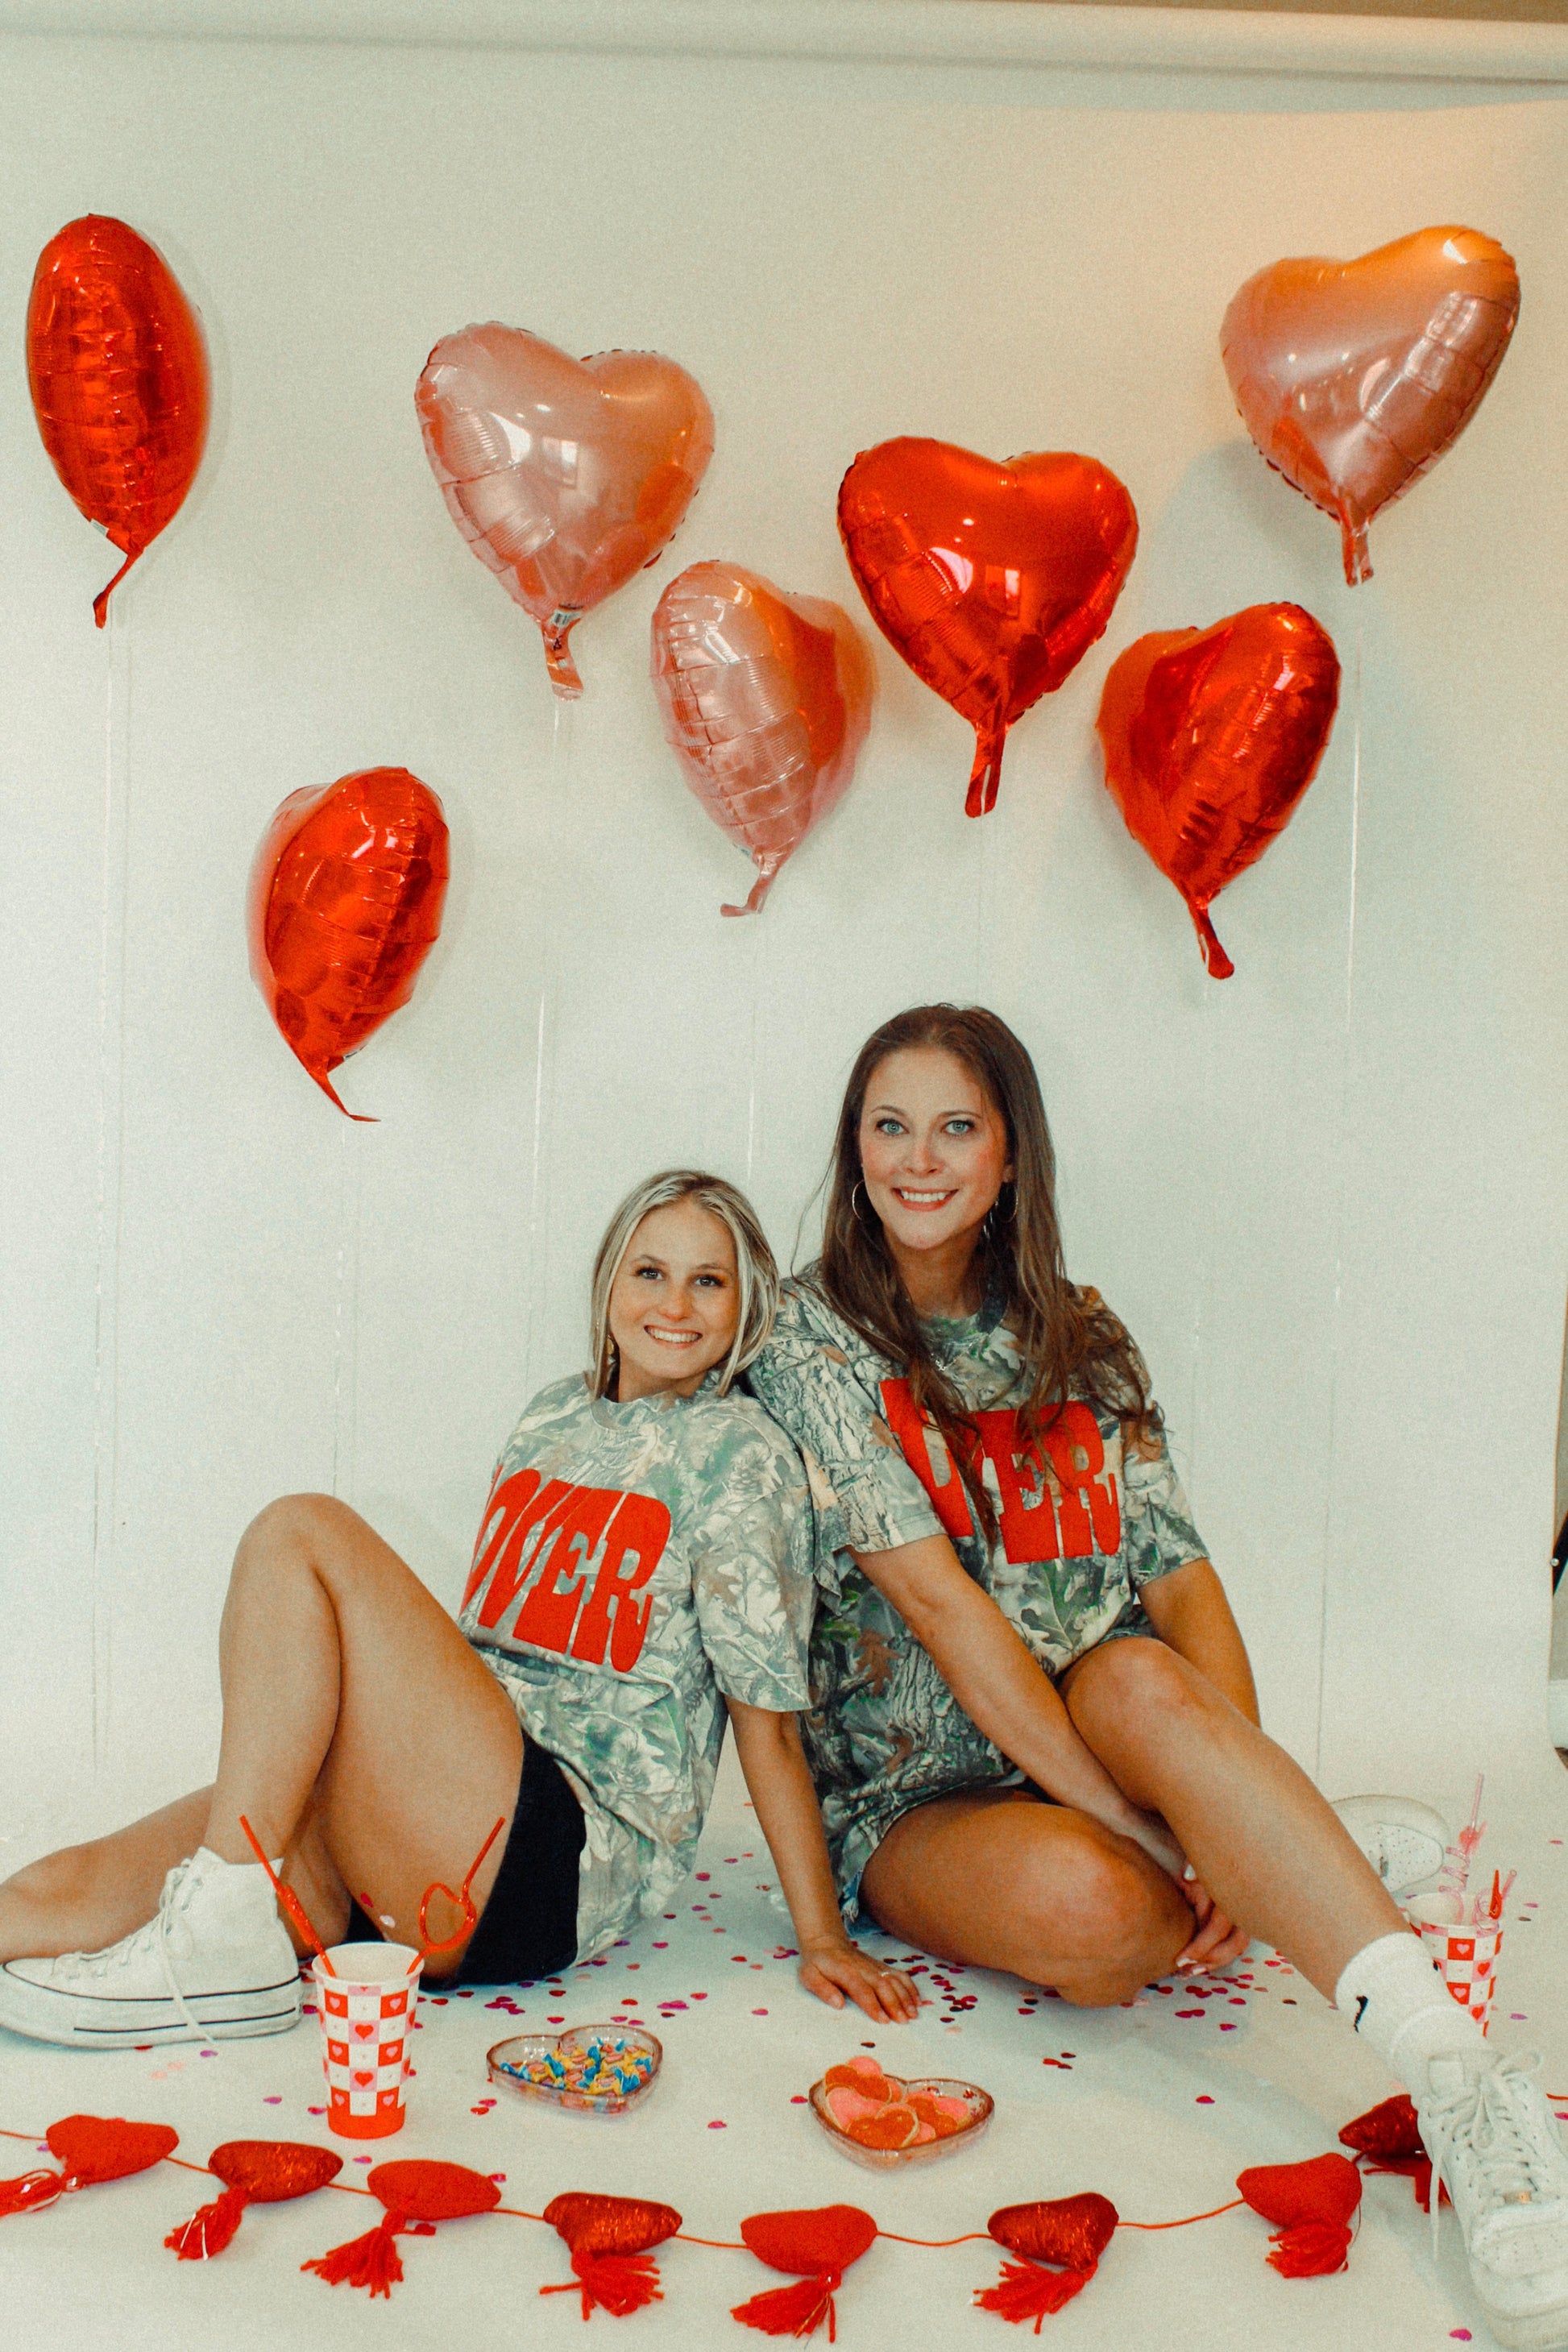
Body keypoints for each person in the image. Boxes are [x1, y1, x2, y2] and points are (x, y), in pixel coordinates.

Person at [745, 1003, 1568, 2352]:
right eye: (888, 1124)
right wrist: (1175, 1838)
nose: (918, 1157)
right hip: (915, 1793)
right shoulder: (807, 1337)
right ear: (853, 1146)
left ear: (1011, 1152)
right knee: (1111, 1926)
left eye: (955, 1125)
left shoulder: (1080, 1330)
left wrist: (1202, 1783)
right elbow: (945, 1611)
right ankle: (1289, 1847)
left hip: (1104, 1715)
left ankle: (1459, 2078)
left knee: (1136, 1671)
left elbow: (1180, 1577)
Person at [0, 1168, 916, 2050]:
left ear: (745, 1302)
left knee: (300, 1531)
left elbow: (769, 1724)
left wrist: (821, 1936)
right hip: (425, 1815)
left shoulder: (742, 1455)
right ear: (608, 1281)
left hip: (548, 1851)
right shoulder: (553, 1415)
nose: (674, 1304)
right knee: (44, 1898)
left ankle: (220, 1935)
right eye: (649, 1271)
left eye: (707, 1281)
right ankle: (227, 1927)